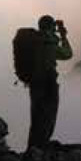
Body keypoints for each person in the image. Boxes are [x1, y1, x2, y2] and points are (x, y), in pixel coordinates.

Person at [27, 15, 73, 149]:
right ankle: (41, 148)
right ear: (51, 26)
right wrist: (63, 36)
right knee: (48, 116)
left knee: (36, 116)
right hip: (49, 83)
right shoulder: (50, 42)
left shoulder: (34, 41)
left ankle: (33, 148)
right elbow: (67, 54)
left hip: (34, 84)